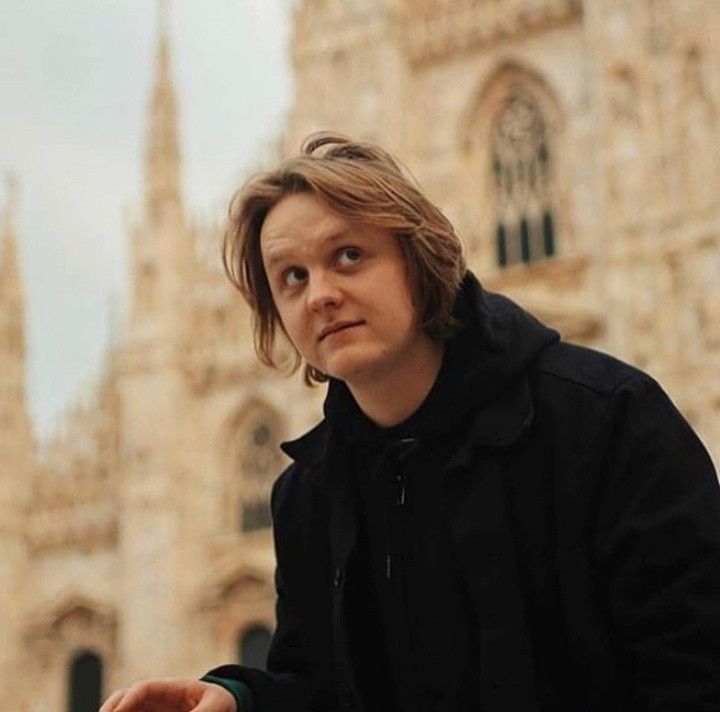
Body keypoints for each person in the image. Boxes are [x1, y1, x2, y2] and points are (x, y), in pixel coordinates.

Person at [100, 134, 720, 712]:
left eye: (348, 256)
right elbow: (322, 686)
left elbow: (692, 658)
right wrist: (242, 699)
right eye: (292, 277)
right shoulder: (308, 496)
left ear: (419, 260)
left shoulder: (605, 419)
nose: (319, 294)